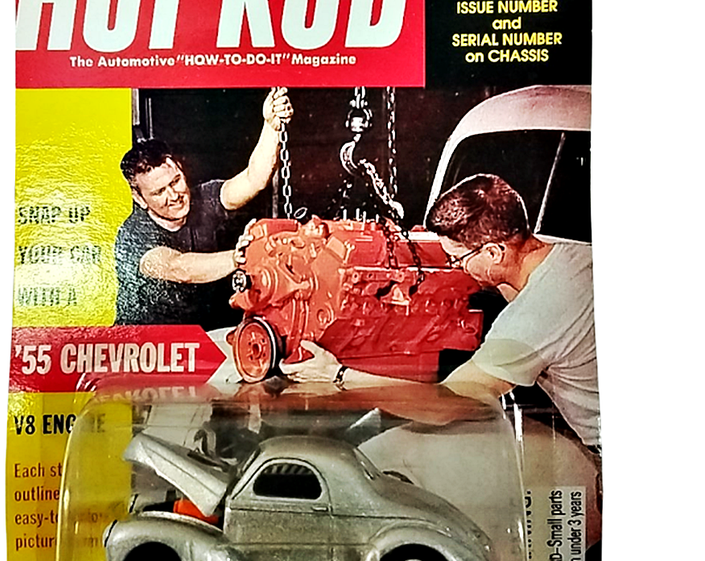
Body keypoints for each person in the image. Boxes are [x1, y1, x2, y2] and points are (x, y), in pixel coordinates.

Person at [282, 173, 599, 450]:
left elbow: (445, 406)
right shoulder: (574, 254)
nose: (455, 267)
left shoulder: (532, 320)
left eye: (457, 259)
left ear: (493, 252)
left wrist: (337, 374)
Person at [114, 87, 293, 328]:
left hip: (200, 332)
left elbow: (253, 179)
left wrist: (271, 126)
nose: (174, 196)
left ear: (180, 169)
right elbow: (179, 268)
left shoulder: (204, 197)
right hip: (146, 341)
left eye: (175, 181)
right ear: (140, 198)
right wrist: (237, 258)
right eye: (159, 192)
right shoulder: (133, 235)